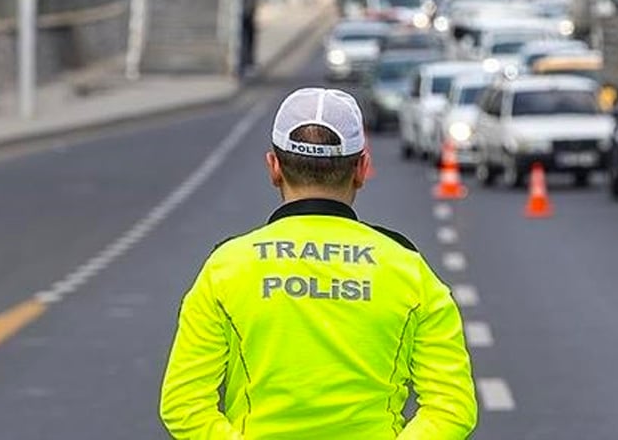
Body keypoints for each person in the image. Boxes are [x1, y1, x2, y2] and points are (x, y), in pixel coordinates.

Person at [160, 88, 477, 439]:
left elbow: (183, 404)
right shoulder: (409, 269)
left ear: (274, 167)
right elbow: (452, 407)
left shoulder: (226, 268)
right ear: (361, 168)